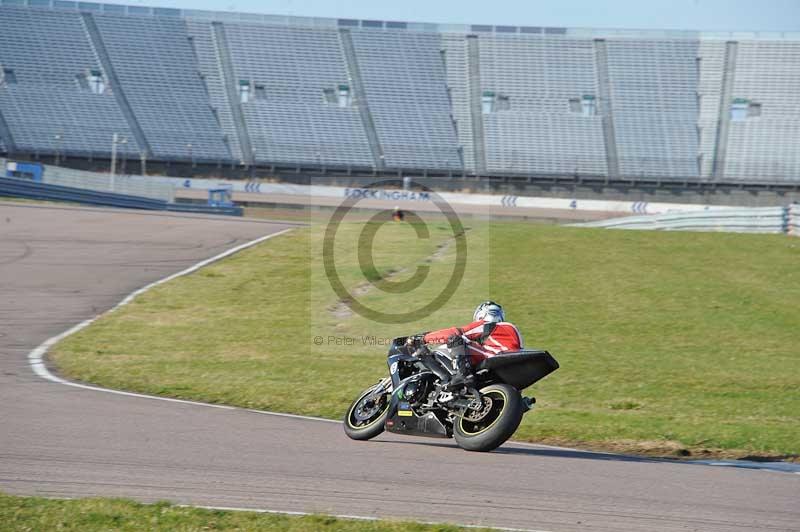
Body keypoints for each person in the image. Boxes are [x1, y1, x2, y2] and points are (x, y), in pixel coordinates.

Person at [420, 301, 523, 389]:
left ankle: (462, 375)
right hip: (511, 369)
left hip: (495, 357)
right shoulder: (511, 329)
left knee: (455, 339)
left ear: (482, 315)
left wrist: (423, 338)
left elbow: (455, 332)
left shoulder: (487, 325)